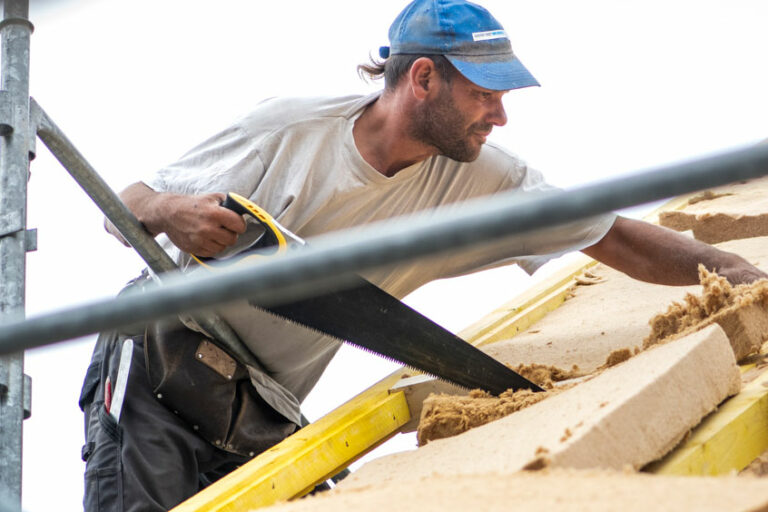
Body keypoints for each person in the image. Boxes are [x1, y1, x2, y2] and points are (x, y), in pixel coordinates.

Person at [80, 0, 766, 510]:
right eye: (484, 96)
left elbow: (614, 238)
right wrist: (173, 212)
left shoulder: (485, 179)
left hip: (259, 403)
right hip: (160, 368)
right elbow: (130, 202)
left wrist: (743, 279)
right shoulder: (290, 128)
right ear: (425, 79)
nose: (499, 116)